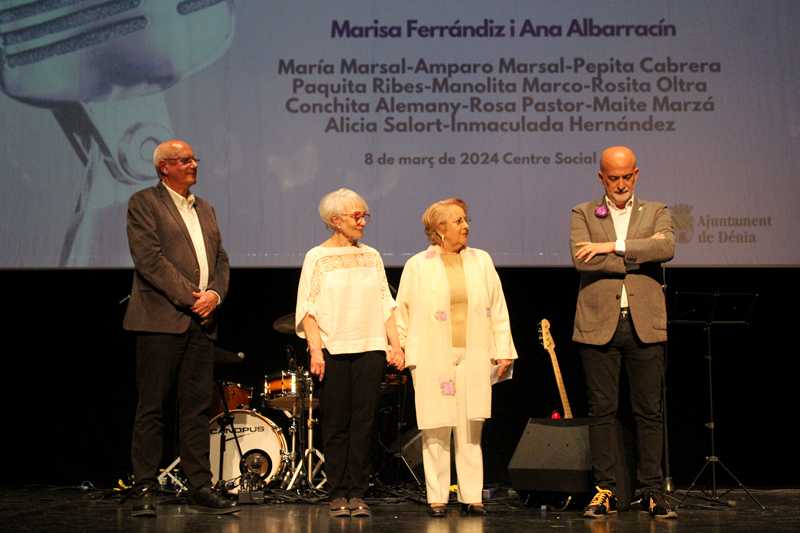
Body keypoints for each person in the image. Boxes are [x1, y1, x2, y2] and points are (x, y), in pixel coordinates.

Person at [124, 139, 236, 516]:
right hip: (160, 320)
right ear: (164, 168)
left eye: (194, 158)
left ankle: (199, 485)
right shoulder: (144, 203)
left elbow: (220, 258)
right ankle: (143, 486)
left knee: (196, 408)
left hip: (203, 322)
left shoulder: (205, 207)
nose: (193, 164)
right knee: (152, 406)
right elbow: (149, 260)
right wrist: (193, 298)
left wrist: (215, 295)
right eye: (184, 160)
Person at [570, 146, 677, 519]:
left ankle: (652, 491)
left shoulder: (657, 211)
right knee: (602, 412)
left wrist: (611, 247)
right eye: (612, 177)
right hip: (599, 325)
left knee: (649, 411)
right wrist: (636, 254)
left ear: (636, 174)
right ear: (601, 177)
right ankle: (606, 490)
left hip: (644, 325)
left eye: (626, 177)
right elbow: (581, 258)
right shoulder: (582, 213)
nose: (620, 184)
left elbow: (666, 247)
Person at [395, 198, 517, 517]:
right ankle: (437, 496)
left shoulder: (481, 261)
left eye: (466, 220)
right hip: (433, 355)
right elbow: (402, 313)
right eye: (458, 221)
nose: (466, 226)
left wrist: (503, 348)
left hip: (474, 352)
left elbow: (498, 307)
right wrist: (403, 350)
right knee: (436, 427)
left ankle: (471, 495)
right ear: (439, 229)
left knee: (471, 424)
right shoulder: (418, 265)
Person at [294, 188, 404, 518]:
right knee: (336, 423)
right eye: (357, 216)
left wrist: (395, 345)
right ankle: (337, 491)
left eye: (364, 215)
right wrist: (315, 349)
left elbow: (387, 304)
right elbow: (307, 309)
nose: (363, 222)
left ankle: (358, 492)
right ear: (335, 220)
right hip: (333, 350)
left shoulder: (372, 256)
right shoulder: (317, 257)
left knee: (364, 423)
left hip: (370, 347)